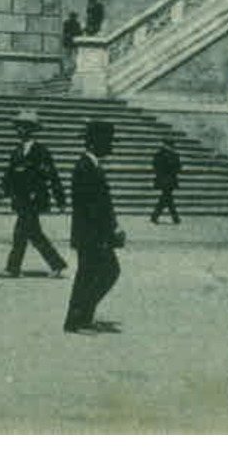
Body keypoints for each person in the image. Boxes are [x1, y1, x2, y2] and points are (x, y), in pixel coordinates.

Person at [64, 120, 124, 334]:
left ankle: (82, 318)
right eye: (107, 142)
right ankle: (76, 321)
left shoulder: (91, 165)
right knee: (103, 272)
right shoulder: (85, 167)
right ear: (94, 142)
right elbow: (93, 208)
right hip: (91, 234)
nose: (111, 147)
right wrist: (111, 231)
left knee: (92, 274)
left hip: (93, 233)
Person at [0, 110, 67, 279]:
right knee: (33, 234)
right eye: (18, 127)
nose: (19, 130)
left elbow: (52, 175)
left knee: (21, 232)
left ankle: (13, 268)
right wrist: (5, 190)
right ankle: (56, 264)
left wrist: (60, 199)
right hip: (21, 199)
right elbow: (10, 174)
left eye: (23, 127)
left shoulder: (41, 151)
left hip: (35, 199)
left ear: (31, 129)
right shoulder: (17, 151)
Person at [151, 137, 182, 225]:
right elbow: (155, 166)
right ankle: (175, 218)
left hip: (166, 179)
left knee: (166, 198)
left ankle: (155, 216)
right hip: (166, 179)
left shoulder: (167, 155)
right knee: (167, 198)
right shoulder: (166, 155)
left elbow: (178, 168)